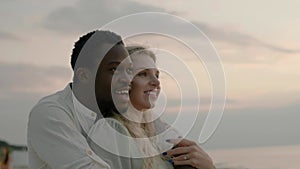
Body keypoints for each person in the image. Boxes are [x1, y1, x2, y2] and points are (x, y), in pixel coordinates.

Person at [87, 46, 215, 169]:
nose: (156, 82)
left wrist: (207, 166)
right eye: (143, 74)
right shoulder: (110, 130)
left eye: (157, 75)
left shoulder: (158, 135)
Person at [27, 30, 133, 169]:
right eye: (114, 70)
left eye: (129, 70)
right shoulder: (50, 113)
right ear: (83, 76)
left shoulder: (114, 115)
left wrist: (168, 156)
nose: (127, 79)